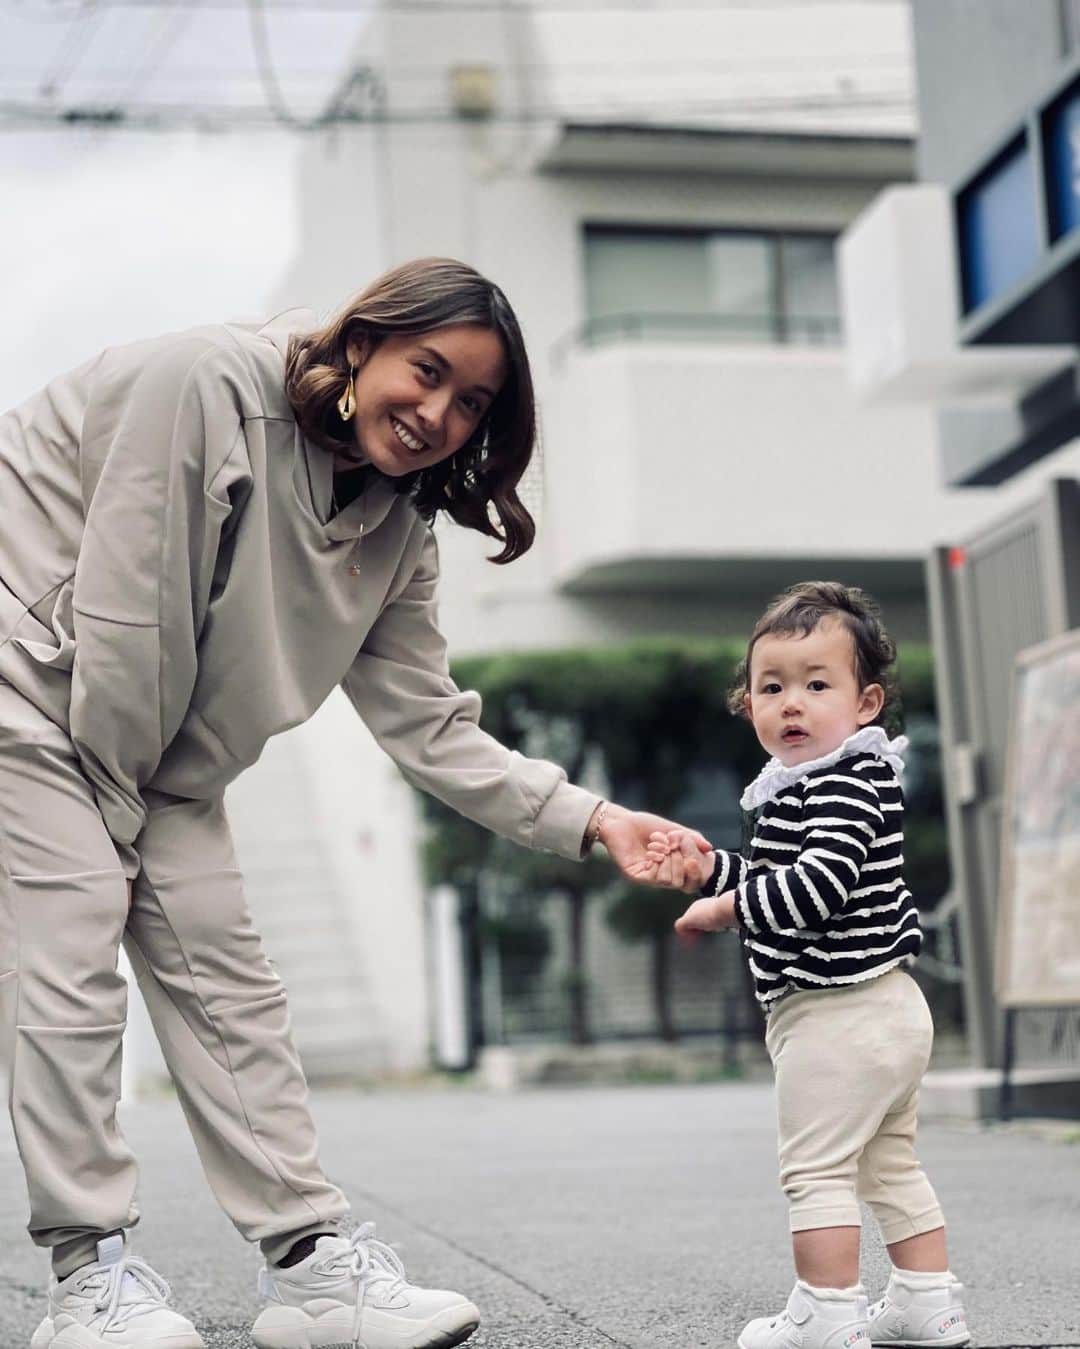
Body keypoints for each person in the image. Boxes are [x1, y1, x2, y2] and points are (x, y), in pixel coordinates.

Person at [0, 257, 710, 1349]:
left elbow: (432, 723)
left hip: (157, 744)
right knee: (70, 955)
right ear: (364, 339)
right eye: (426, 371)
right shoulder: (203, 384)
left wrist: (592, 817)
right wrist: (122, 833)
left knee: (235, 988)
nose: (436, 413)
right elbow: (129, 620)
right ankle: (86, 1276)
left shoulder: (397, 531)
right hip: (34, 684)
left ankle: (311, 1271)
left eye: (472, 402)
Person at [635, 583, 971, 1349]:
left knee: (816, 1171)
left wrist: (728, 909)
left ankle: (826, 1312)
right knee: (887, 1163)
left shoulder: (848, 780)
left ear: (866, 703)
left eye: (818, 685)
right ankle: (928, 1302)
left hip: (838, 1013)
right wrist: (708, 867)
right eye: (772, 686)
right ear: (746, 701)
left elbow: (815, 888)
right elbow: (778, 871)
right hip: (885, 1008)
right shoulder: (816, 783)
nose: (793, 703)